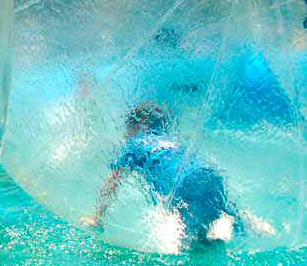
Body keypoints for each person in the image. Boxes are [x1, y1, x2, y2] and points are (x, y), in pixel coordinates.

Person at [80, 103, 273, 248]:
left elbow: (113, 182)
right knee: (222, 213)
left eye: (127, 128)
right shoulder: (171, 141)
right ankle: (255, 226)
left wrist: (97, 218)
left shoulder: (136, 144)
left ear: (140, 126)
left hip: (182, 186)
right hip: (210, 176)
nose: (125, 134)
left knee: (191, 244)